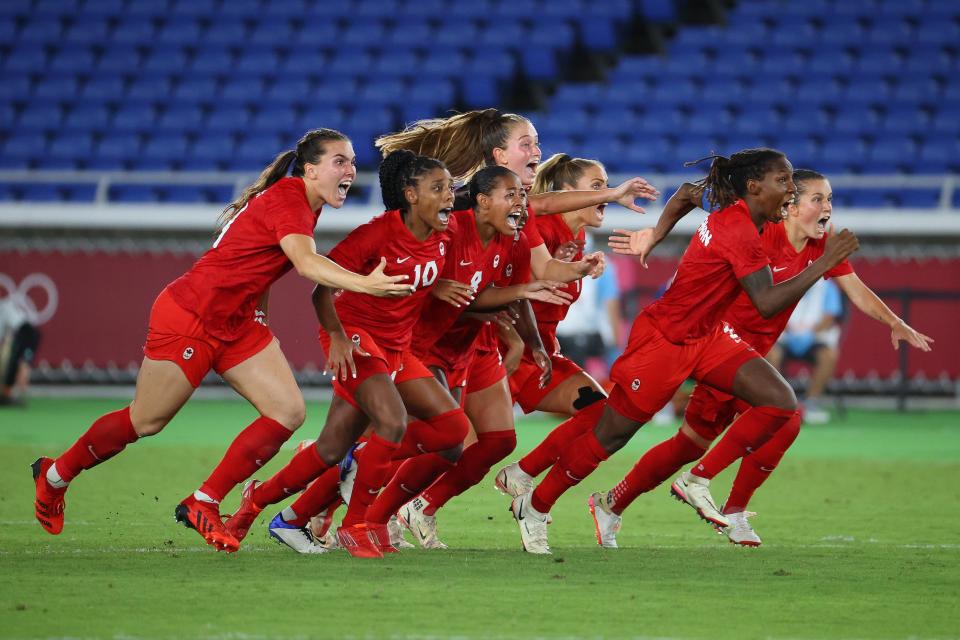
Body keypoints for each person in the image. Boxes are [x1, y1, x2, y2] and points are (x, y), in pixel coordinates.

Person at [30, 129, 413, 552]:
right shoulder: (289, 199)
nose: (350, 169)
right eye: (340, 161)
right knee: (147, 421)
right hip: (192, 315)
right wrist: (365, 284)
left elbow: (259, 259)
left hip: (237, 323)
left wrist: (258, 311)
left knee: (286, 411)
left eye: (352, 161)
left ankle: (203, 501)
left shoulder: (304, 202)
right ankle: (54, 475)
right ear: (310, 169)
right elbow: (305, 264)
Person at [507, 148, 861, 554]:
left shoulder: (729, 205)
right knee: (612, 433)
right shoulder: (740, 230)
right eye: (782, 182)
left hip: (709, 336)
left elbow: (685, 194)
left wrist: (655, 235)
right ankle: (534, 505)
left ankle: (698, 479)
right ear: (754, 186)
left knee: (780, 402)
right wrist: (824, 263)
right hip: (665, 341)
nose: (789, 190)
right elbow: (765, 301)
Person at [588, 168, 933, 548]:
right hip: (717, 347)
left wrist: (896, 321)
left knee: (691, 443)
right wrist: (655, 234)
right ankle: (714, 496)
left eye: (830, 199)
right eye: (817, 199)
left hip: (744, 355)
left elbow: (857, 289)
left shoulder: (822, 243)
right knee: (783, 418)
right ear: (789, 206)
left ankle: (612, 502)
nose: (827, 208)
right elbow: (695, 210)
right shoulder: (757, 233)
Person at [375, 108, 659, 284]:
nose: (537, 153)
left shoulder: (521, 215)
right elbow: (545, 203)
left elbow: (545, 268)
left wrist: (580, 267)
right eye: (526, 145)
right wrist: (613, 193)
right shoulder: (465, 201)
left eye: (537, 145)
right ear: (500, 156)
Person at [767, 278, 844, 423]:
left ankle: (812, 402)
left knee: (829, 356)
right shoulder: (785, 281)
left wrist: (809, 332)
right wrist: (790, 330)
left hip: (814, 338)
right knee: (770, 354)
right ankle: (776, 402)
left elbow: (829, 317)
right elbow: (775, 311)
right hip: (786, 336)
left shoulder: (828, 287)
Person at [0, 292, 41, 406]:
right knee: (13, 363)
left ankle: (6, 394)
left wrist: (25, 363)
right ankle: (5, 394)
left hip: (28, 336)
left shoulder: (2, 309)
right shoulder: (4, 305)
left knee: (17, 364)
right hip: (27, 335)